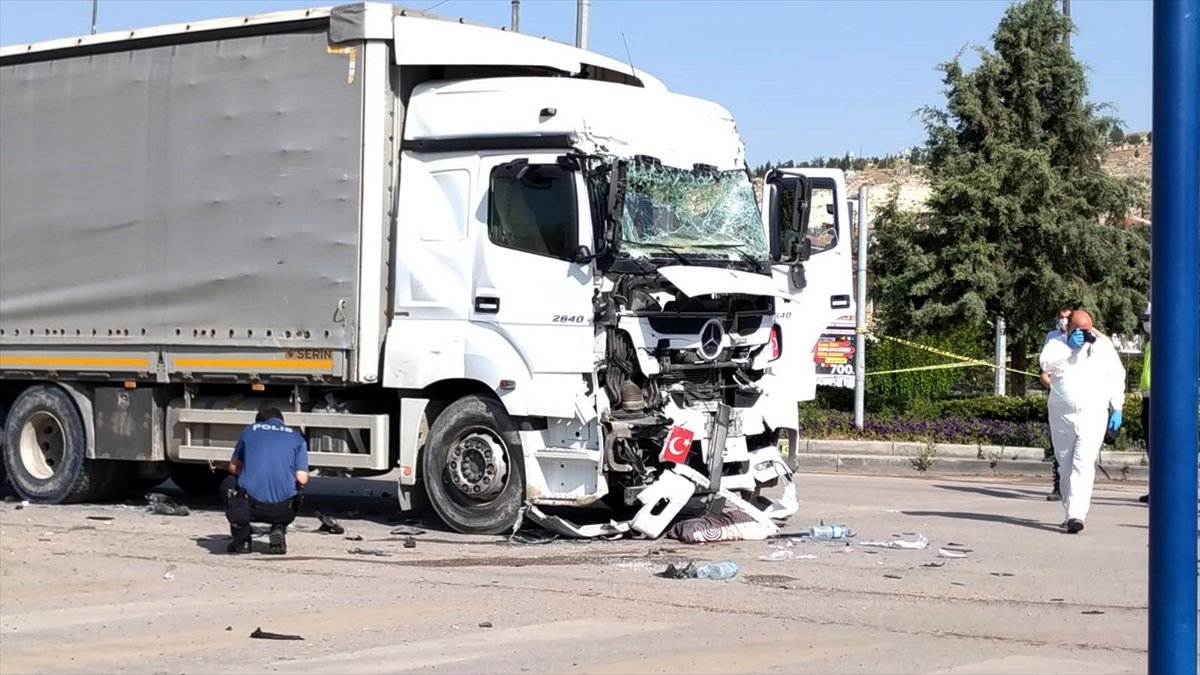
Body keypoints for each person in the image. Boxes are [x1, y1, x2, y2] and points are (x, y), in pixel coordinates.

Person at [1039, 309, 1126, 534]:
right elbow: (1045, 364)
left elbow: (1116, 376)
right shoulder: (1057, 343)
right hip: (1062, 413)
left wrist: (1117, 407)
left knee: (1083, 463)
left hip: (1093, 413)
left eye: (1087, 330)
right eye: (1079, 330)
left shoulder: (1103, 347)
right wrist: (1069, 346)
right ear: (1068, 328)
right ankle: (1070, 511)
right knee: (1065, 463)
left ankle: (1078, 514)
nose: (1084, 335)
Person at [223, 407, 309, 554]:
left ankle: (242, 540)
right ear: (282, 421)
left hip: (251, 508)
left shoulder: (249, 431)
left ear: (259, 422)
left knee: (228, 483)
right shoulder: (297, 438)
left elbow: (233, 467)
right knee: (296, 486)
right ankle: (279, 527)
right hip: (284, 510)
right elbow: (302, 478)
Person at [1040, 306, 1073, 501]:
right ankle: (1058, 487)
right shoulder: (1052, 337)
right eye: (1061, 317)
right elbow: (1044, 369)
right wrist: (1054, 387)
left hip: (1075, 396)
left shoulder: (1082, 337)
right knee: (1058, 443)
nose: (1063, 321)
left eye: (1067, 318)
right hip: (1056, 395)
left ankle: (1073, 487)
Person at [1137, 303, 1151, 504]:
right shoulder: (1149, 343)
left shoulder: (1166, 340)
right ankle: (1154, 487)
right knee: (1151, 446)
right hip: (1147, 397)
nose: (1145, 324)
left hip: (1160, 398)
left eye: (1147, 320)